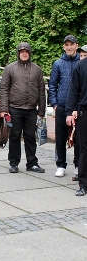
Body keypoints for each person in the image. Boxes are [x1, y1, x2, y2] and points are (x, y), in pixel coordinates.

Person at [0, 42, 46, 174]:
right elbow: (4, 89)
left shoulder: (37, 69)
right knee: (14, 136)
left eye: (26, 51)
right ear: (18, 53)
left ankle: (32, 163)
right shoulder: (10, 69)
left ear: (30, 53)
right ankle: (13, 163)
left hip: (31, 109)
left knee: (30, 137)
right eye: (22, 51)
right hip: (14, 108)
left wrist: (41, 112)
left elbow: (41, 92)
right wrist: (4, 109)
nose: (24, 53)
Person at [49, 35, 80, 177]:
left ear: (76, 46)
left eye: (71, 44)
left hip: (78, 107)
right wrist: (54, 104)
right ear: (63, 47)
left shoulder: (82, 62)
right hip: (62, 106)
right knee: (60, 138)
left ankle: (78, 164)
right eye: (66, 45)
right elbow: (52, 85)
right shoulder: (58, 63)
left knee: (79, 138)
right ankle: (61, 165)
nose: (69, 47)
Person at [66, 55, 87, 195]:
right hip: (85, 111)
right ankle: (84, 184)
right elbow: (73, 90)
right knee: (84, 148)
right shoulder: (81, 65)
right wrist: (69, 111)